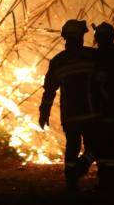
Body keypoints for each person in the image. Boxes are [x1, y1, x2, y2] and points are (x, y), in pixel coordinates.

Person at [39, 19, 101, 191]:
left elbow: (49, 90)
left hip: (69, 114)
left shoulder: (58, 61)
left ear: (65, 38)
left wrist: (44, 112)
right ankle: (80, 168)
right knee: (94, 147)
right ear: (80, 37)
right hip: (90, 113)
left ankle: (71, 181)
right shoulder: (92, 56)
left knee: (72, 147)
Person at [89, 22, 114, 193]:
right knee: (107, 144)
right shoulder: (112, 59)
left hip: (103, 109)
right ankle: (107, 181)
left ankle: (107, 182)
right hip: (109, 109)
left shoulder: (102, 59)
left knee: (103, 144)